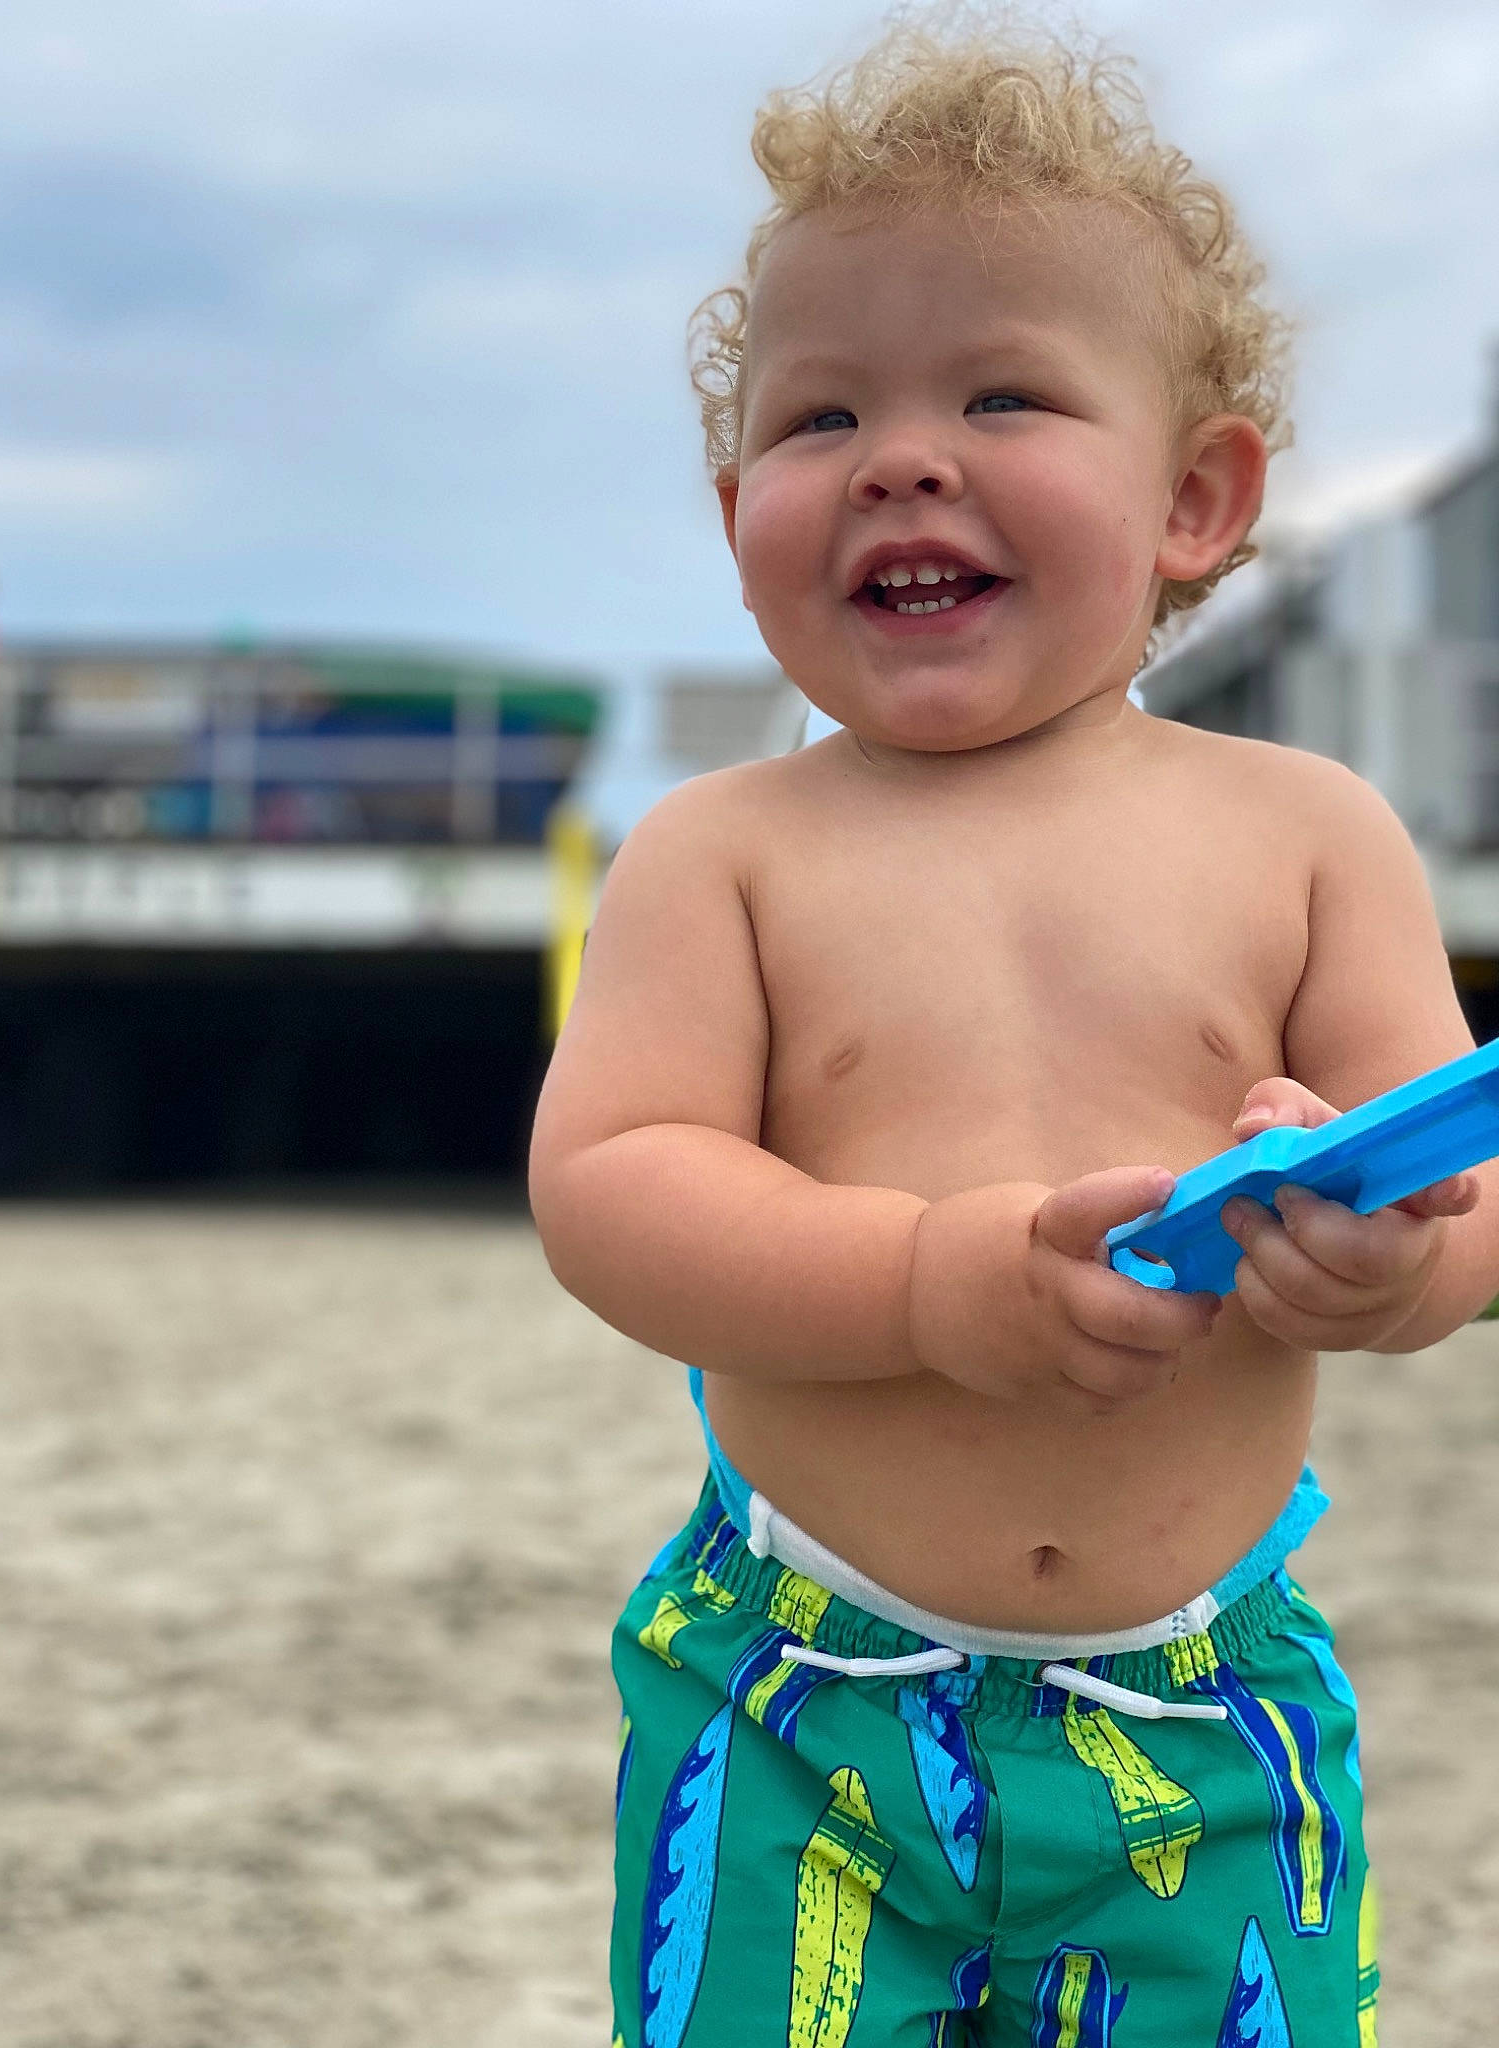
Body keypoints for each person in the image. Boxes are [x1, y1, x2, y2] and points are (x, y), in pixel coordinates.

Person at [528, 13, 1499, 2042]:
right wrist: (927, 1279)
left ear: (1196, 497)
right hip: (795, 1702)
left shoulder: (1308, 834)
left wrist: (1396, 1265)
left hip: (1205, 1721)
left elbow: (1460, 1189)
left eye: (1001, 393)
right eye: (821, 418)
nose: (900, 455)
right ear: (739, 516)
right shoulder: (724, 853)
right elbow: (612, 1188)